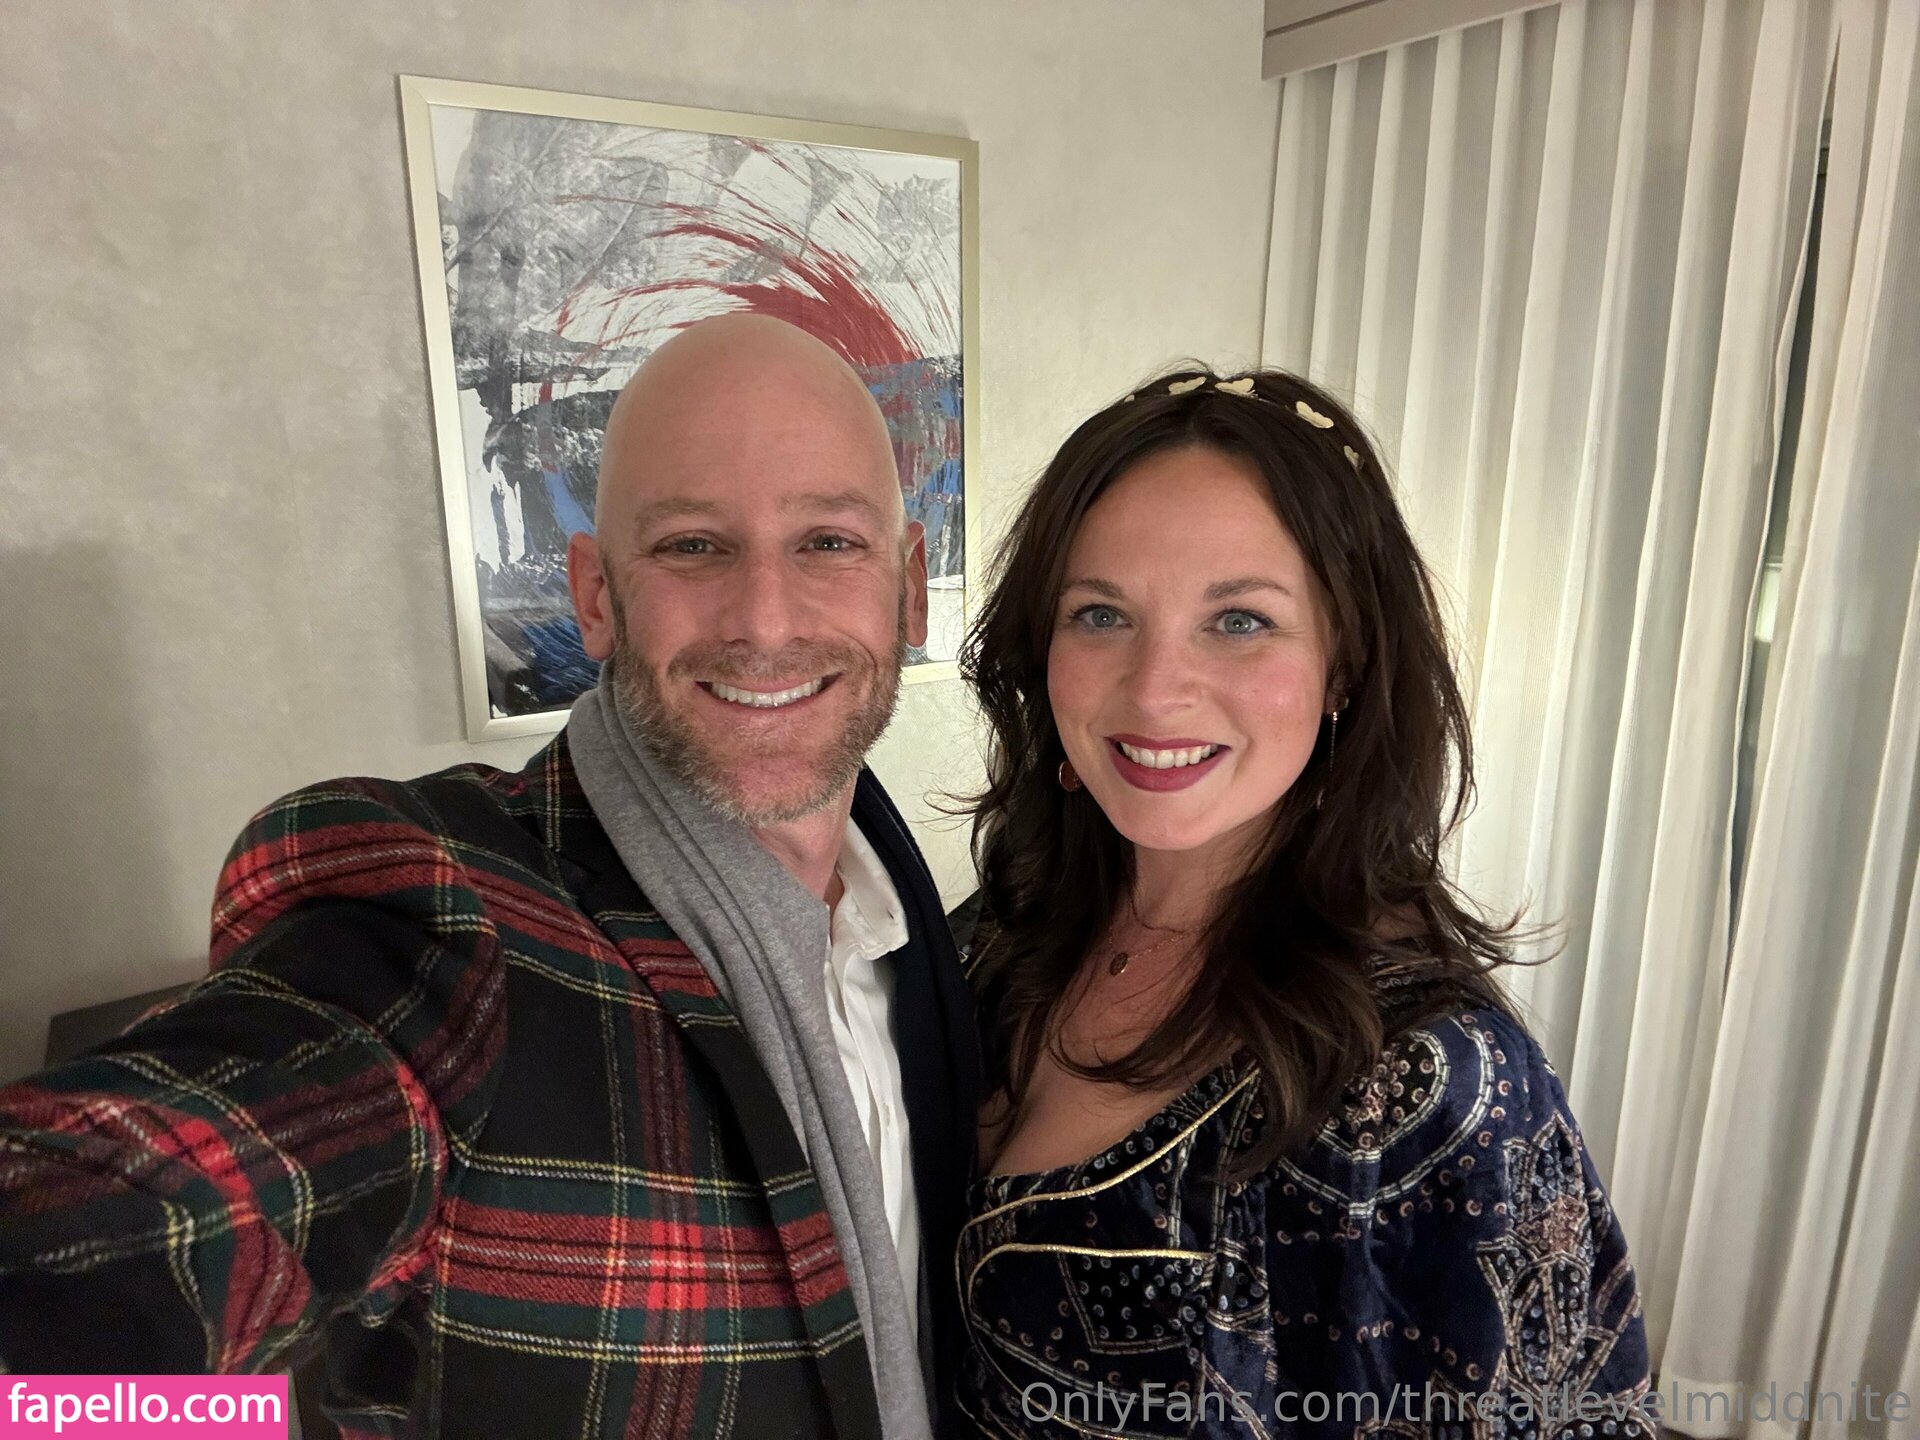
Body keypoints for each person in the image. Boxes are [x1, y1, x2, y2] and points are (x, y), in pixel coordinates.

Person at [0, 315, 979, 1440]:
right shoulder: (437, 920)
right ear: (597, 597)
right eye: (691, 547)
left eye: (829, 542)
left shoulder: (930, 943)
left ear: (909, 589)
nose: (765, 618)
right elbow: (122, 1238)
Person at [953, 368, 1659, 1437]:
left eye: (1239, 620)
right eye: (1100, 613)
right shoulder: (995, 936)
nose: (1154, 689)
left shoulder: (1426, 1081)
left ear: (1344, 666)